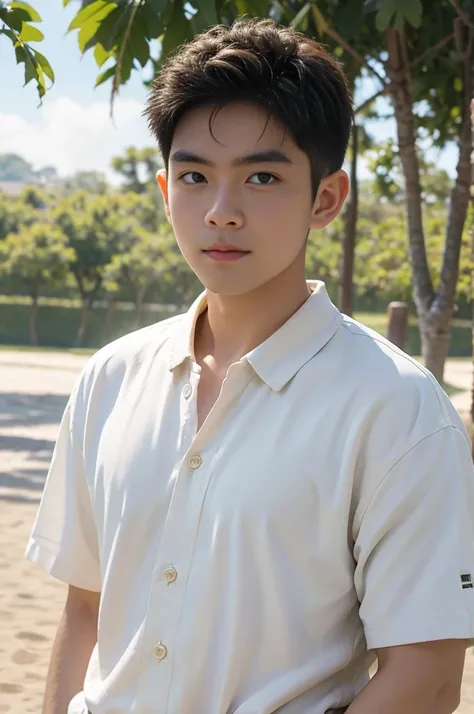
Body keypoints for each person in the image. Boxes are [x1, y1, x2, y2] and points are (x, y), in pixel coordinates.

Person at [26, 18, 474, 714]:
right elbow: (86, 609)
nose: (222, 212)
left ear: (326, 198)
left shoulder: (398, 410)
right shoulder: (109, 379)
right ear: (165, 190)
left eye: (263, 176)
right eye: (195, 176)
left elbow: (428, 676)